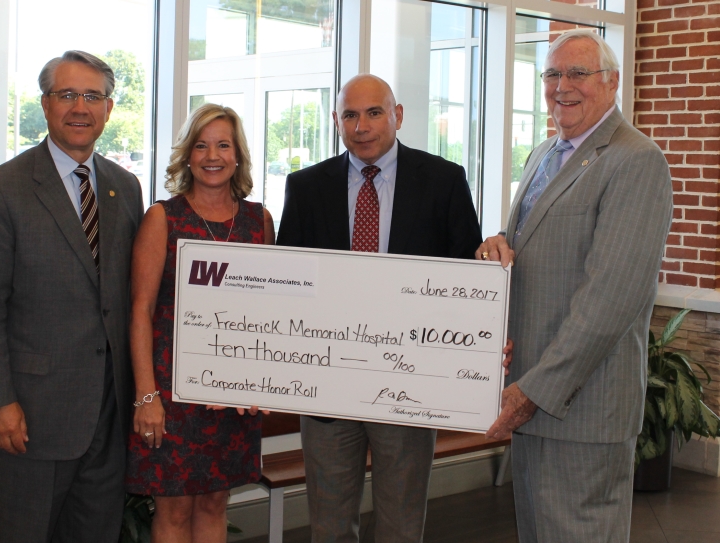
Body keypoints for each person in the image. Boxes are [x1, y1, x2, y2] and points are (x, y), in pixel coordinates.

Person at [479, 30, 673, 542]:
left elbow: (609, 300)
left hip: (582, 408)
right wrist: (497, 244)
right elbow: (538, 243)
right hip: (532, 397)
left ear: (611, 82)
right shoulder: (545, 152)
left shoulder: (636, 159)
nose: (561, 86)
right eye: (552, 74)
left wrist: (532, 392)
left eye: (577, 73)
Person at [276, 74, 484, 543]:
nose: (362, 125)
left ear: (398, 116)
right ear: (336, 121)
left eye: (374, 112)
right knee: (329, 527)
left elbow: (467, 282)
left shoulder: (444, 181)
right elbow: (289, 282)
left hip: (409, 386)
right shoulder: (306, 187)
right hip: (328, 386)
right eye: (350, 114)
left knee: (401, 527)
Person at [0, 51, 144, 542]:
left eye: (92, 96)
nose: (79, 107)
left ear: (108, 108)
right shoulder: (0, 190)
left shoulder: (126, 188)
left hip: (108, 416)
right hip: (31, 420)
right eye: (67, 95)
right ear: (45, 104)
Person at [125, 103, 275, 542]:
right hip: (171, 393)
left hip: (234, 395)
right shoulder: (163, 218)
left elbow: (270, 313)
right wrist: (145, 395)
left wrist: (261, 381)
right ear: (188, 156)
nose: (213, 156)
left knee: (214, 503)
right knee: (172, 511)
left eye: (224, 145)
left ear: (237, 155)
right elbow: (140, 310)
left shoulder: (259, 222)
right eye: (202, 145)